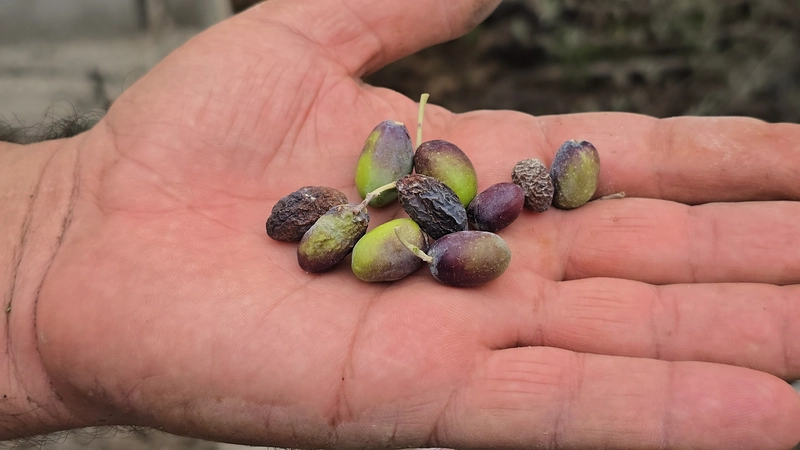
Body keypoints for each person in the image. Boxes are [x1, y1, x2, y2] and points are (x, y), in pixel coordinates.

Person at [1, 0, 798, 448]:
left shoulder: (453, 211)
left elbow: (469, 220)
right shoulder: (396, 212)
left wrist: (41, 239)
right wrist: (39, 240)